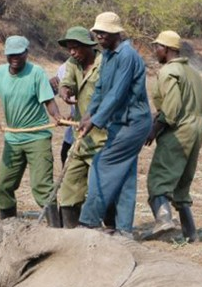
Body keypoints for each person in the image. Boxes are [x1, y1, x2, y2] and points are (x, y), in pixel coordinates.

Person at [78, 12, 152, 237]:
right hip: (119, 123)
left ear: (115, 33)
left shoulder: (127, 55)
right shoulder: (108, 55)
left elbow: (117, 94)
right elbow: (101, 89)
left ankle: (88, 221)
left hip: (133, 123)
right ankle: (124, 229)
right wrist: (88, 113)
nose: (98, 36)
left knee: (102, 165)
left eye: (103, 33)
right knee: (125, 175)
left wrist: (96, 121)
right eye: (97, 32)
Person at [0, 35, 62, 227]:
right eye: (11, 55)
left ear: (26, 53)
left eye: (19, 54)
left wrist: (57, 116)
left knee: (41, 186)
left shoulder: (36, 73)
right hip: (13, 138)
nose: (15, 58)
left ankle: (56, 229)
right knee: (4, 185)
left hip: (37, 138)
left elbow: (48, 100)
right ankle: (8, 228)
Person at [145, 30, 202, 243]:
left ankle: (164, 220)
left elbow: (172, 107)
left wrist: (155, 129)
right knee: (182, 183)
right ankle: (191, 233)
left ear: (168, 49)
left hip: (178, 131)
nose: (155, 51)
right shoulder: (192, 72)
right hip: (197, 130)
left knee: (158, 179)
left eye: (158, 47)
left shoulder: (169, 72)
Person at [56, 26, 108, 228]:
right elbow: (67, 81)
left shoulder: (105, 64)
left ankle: (108, 229)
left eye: (76, 48)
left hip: (103, 138)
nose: (72, 52)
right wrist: (65, 90)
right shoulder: (72, 63)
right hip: (81, 139)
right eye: (69, 48)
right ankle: (71, 233)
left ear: (88, 47)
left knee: (100, 189)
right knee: (69, 186)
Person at [49, 62, 75, 167]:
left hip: (97, 133)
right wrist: (49, 84)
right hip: (73, 132)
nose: (73, 52)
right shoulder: (65, 67)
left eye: (77, 46)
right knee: (65, 154)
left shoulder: (102, 64)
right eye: (70, 47)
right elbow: (50, 92)